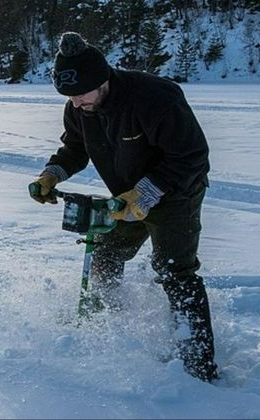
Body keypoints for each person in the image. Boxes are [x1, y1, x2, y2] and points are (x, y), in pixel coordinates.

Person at [29, 32, 218, 382]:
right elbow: (75, 147)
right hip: (125, 196)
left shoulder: (155, 98)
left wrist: (144, 195)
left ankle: (198, 366)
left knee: (175, 271)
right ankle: (108, 326)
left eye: (80, 94)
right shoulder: (79, 106)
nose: (75, 103)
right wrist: (52, 174)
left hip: (176, 194)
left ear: (102, 79)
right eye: (68, 96)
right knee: (106, 253)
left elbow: (191, 157)